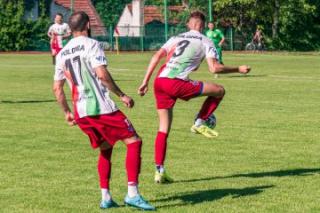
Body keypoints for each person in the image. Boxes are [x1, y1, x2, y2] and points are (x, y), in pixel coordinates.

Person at [53, 11, 155, 211]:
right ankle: (132, 194)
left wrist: (67, 112)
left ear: (70, 29)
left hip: (81, 112)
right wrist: (122, 95)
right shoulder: (92, 44)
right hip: (100, 108)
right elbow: (102, 74)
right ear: (88, 25)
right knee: (134, 142)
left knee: (106, 148)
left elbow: (57, 88)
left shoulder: (62, 53)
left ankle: (106, 197)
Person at [138, 11, 251, 184]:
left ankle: (159, 171)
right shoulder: (206, 40)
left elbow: (155, 57)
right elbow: (214, 68)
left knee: (163, 129)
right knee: (219, 90)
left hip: (159, 82)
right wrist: (238, 69)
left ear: (189, 24)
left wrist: (145, 82)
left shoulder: (176, 37)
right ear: (203, 26)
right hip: (176, 83)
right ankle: (200, 121)